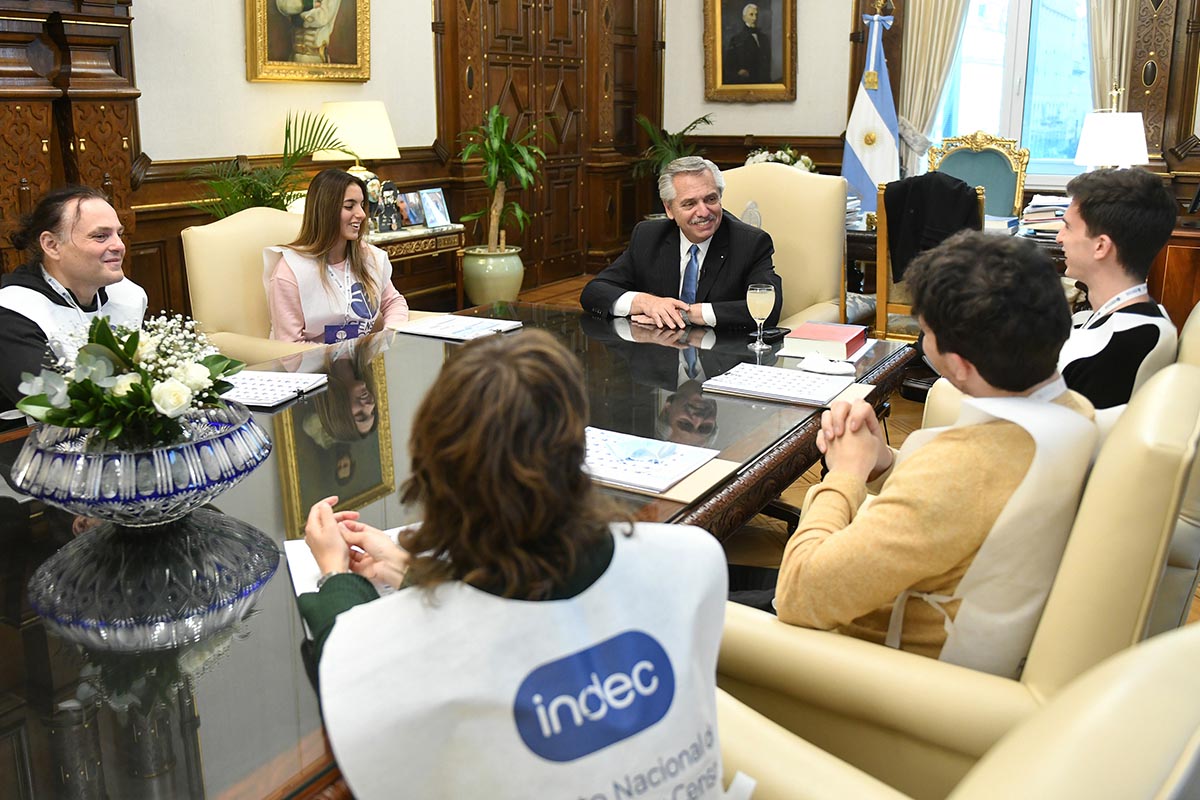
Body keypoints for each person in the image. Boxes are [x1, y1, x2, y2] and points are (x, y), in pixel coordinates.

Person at [296, 331, 728, 798]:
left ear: (437, 477)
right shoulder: (695, 558)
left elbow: (344, 660)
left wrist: (335, 573)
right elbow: (536, 599)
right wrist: (412, 572)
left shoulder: (403, 649)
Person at [767, 232, 1098, 679]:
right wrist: (883, 462)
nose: (923, 341)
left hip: (872, 671)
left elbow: (798, 594)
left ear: (959, 365)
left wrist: (843, 475)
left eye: (926, 332)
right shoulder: (1072, 410)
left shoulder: (960, 470)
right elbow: (957, 510)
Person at [580, 156, 782, 330]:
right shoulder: (648, 237)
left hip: (722, 354)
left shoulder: (750, 243)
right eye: (689, 203)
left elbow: (768, 309)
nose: (703, 212)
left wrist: (688, 313)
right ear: (669, 209)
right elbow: (595, 291)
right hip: (659, 353)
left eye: (711, 199)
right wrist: (646, 302)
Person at [0, 186, 147, 419]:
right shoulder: (13, 310)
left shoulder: (127, 295)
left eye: (119, 233)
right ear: (51, 245)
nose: (119, 245)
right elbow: (52, 405)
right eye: (101, 236)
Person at [1056, 167, 1178, 409]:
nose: (1059, 237)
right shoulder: (1145, 318)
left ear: (1101, 246)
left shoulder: (1119, 344)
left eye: (1067, 227)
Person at [265, 169, 409, 344]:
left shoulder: (368, 256)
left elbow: (393, 302)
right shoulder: (289, 272)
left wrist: (389, 336)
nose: (362, 214)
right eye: (349, 206)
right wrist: (338, 355)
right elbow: (290, 347)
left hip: (364, 357)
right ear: (325, 211)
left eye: (361, 204)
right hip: (314, 361)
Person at [275, 0, 343, 64]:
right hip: (294, 55)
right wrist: (311, 4)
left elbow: (322, 17)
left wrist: (299, 18)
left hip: (315, 57)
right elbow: (283, 6)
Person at [725, 3, 772, 84]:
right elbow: (729, 66)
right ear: (744, 18)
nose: (755, 18)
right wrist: (738, 73)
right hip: (745, 83)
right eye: (751, 14)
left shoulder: (764, 38)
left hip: (763, 82)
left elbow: (767, 62)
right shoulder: (736, 39)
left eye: (756, 15)